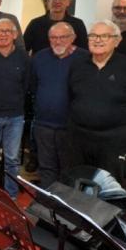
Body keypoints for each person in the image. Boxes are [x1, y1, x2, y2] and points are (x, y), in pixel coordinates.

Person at [66, 20, 126, 182]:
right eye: (93, 35)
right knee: (76, 182)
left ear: (117, 41)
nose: (98, 40)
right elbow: (70, 97)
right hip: (78, 137)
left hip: (113, 140)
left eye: (105, 36)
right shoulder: (77, 64)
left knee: (109, 185)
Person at [31, 22, 88, 188]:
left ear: (73, 38)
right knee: (46, 167)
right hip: (43, 124)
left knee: (69, 169)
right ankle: (49, 205)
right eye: (53, 38)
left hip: (70, 127)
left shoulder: (85, 59)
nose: (58, 41)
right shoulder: (40, 58)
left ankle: (65, 209)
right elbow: (34, 86)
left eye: (63, 37)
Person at [0, 19, 30, 199]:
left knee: (12, 159)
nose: (3, 34)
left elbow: (26, 85)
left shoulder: (24, 57)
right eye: (0, 31)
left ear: (15, 35)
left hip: (15, 116)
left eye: (8, 31)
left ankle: (11, 196)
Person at [24, 0, 88, 54]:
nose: (57, 1)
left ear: (68, 2)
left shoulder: (78, 24)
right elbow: (24, 49)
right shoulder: (35, 24)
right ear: (48, 2)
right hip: (40, 63)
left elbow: (84, 51)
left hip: (70, 64)